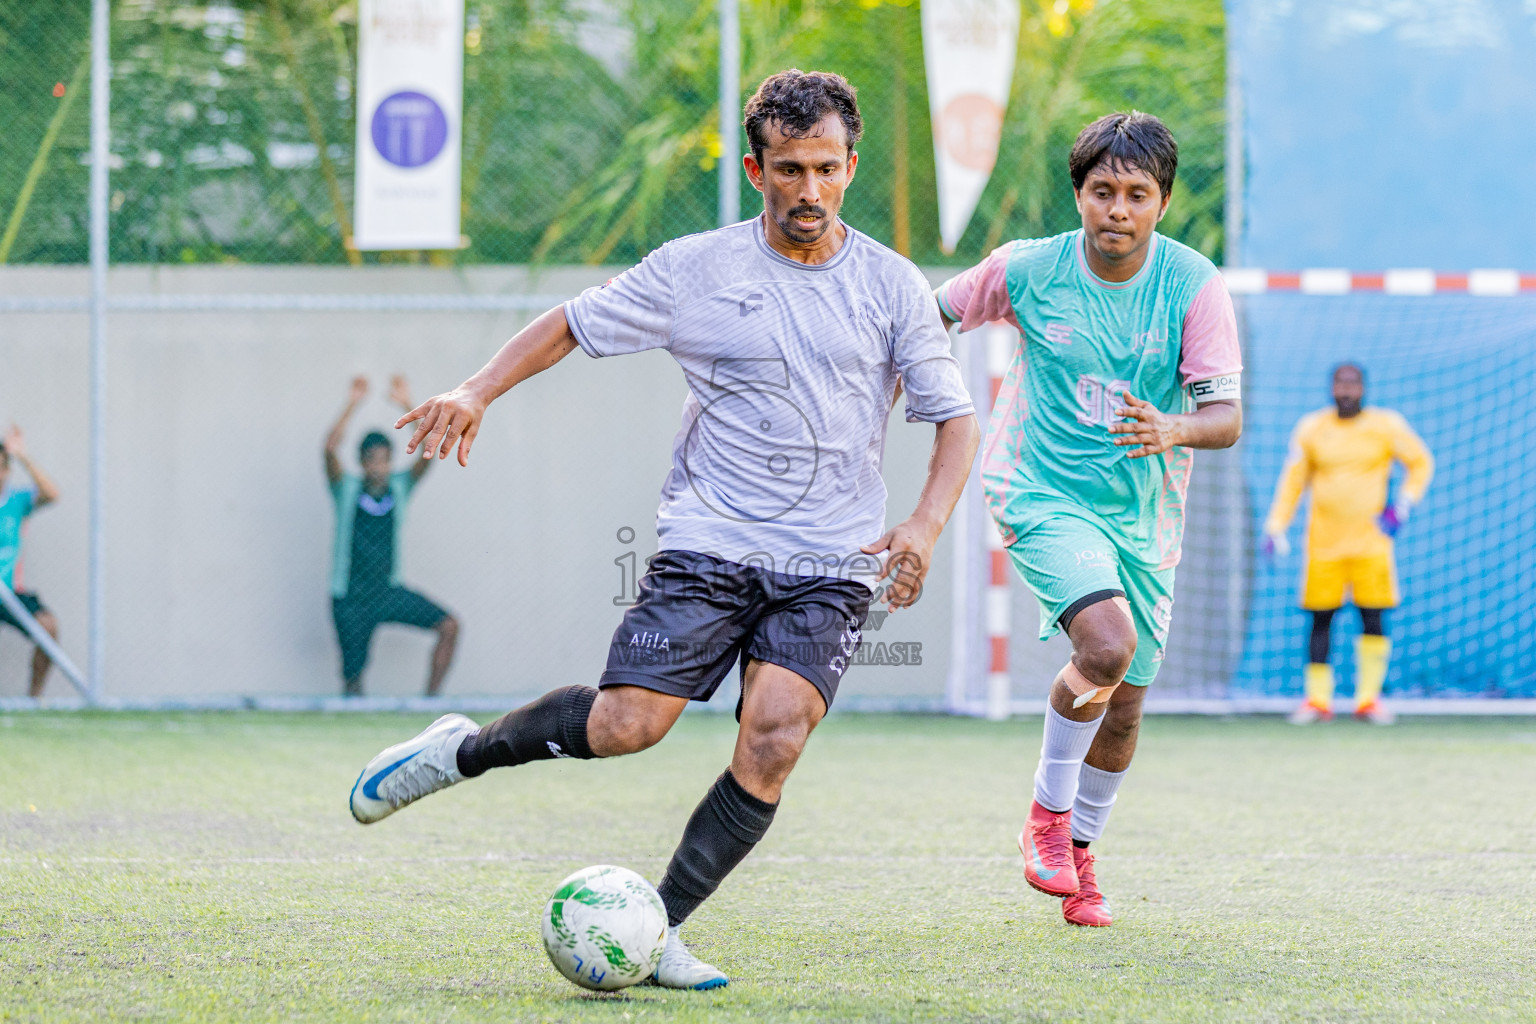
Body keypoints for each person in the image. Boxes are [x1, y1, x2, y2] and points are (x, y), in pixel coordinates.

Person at [347, 70, 979, 988]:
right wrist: (476, 390)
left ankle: (660, 930)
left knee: (776, 736)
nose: (809, 190)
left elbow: (954, 420)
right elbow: (571, 323)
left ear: (851, 166)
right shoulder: (697, 269)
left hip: (832, 559)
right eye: (790, 169)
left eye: (827, 169)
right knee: (627, 726)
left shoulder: (892, 284)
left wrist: (923, 523)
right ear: (757, 170)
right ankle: (460, 750)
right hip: (710, 542)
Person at [935, 112, 1243, 927]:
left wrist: (1172, 427)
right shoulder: (1028, 269)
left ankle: (1080, 858)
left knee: (1127, 700)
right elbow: (933, 314)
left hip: (1144, 517)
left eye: (1137, 194)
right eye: (1103, 190)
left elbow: (1226, 418)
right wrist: (906, 385)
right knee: (1106, 647)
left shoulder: (1193, 285)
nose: (1118, 209)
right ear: (1078, 193)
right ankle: (1046, 817)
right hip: (1039, 489)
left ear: (1162, 203)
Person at [1263, 363, 1433, 726]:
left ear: (1363, 388)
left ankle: (1369, 701)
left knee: (1373, 616)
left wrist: (1403, 504)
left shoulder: (1386, 425)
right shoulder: (1312, 428)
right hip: (1323, 544)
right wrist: (1276, 527)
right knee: (1320, 619)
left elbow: (1420, 462)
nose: (1346, 390)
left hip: (1372, 543)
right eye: (1340, 383)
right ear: (1331, 388)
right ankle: (1317, 701)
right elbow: (1293, 482)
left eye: (1352, 383)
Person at [324, 374, 459, 697]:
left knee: (449, 626)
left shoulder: (399, 487)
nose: (379, 467)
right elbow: (329, 449)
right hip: (350, 598)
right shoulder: (347, 489)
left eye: (384, 460)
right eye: (372, 461)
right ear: (362, 463)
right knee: (353, 682)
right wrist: (352, 403)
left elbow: (428, 452)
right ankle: (354, 713)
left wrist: (407, 406)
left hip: (387, 592)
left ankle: (429, 703)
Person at [0, 425, 62, 698]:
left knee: (48, 626)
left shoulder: (16, 501)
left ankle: (33, 699)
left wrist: (23, 456)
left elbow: (51, 494)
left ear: (7, 471)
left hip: (10, 594)